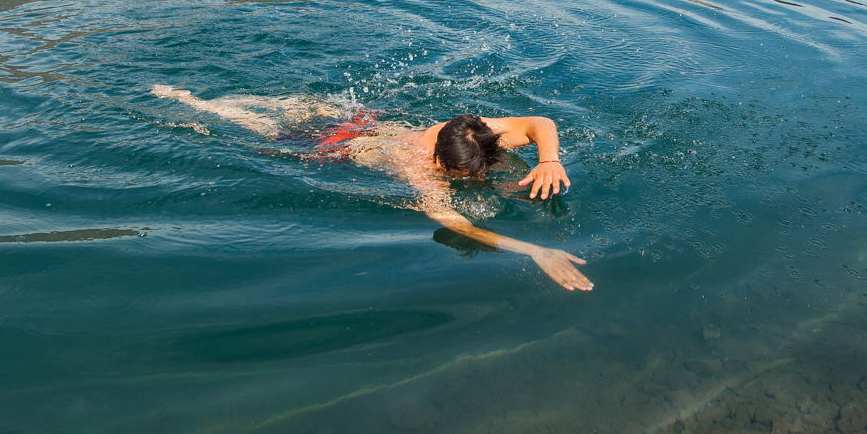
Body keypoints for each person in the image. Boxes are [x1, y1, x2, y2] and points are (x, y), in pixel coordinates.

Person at [150, 86, 592, 290]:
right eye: (464, 176)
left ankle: (222, 98)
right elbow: (451, 221)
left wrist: (549, 159)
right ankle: (192, 101)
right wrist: (533, 250)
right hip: (336, 149)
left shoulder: (475, 130)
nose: (476, 179)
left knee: (301, 107)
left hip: (368, 125)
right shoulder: (418, 167)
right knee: (263, 128)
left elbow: (540, 123)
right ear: (439, 163)